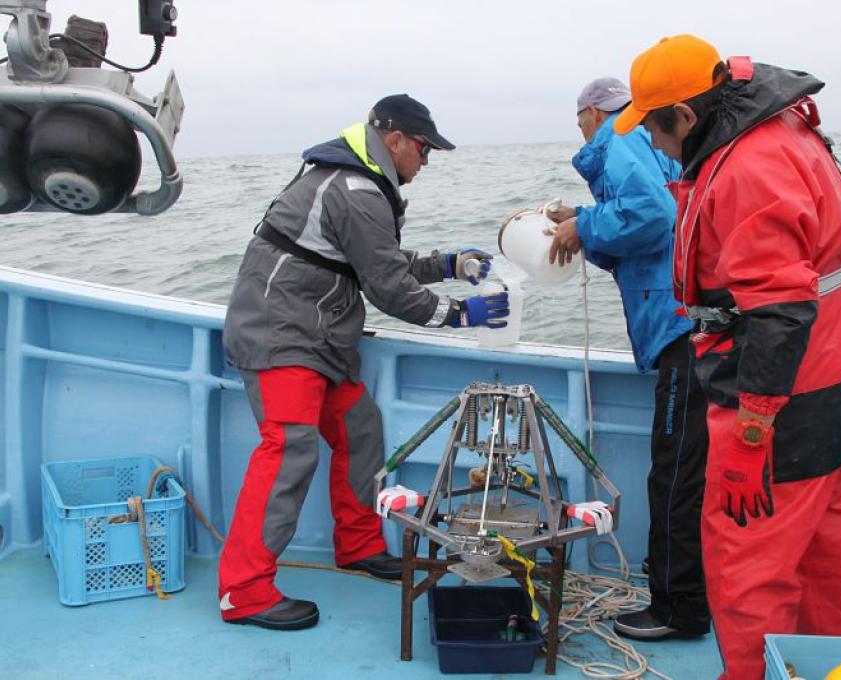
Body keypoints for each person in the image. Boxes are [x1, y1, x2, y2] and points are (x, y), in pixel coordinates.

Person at [614, 35, 841, 679]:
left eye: (654, 124)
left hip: (783, 409)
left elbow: (780, 311)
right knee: (834, 563)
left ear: (685, 113)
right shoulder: (783, 128)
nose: (654, 141)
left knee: (749, 570)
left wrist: (754, 432)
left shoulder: (747, 168)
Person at [219, 94, 509, 631]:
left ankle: (357, 545)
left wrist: (449, 263)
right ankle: (244, 591)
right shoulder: (355, 189)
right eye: (423, 149)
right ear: (394, 139)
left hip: (319, 339)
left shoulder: (356, 180)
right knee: (289, 449)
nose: (426, 161)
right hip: (280, 333)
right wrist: (464, 315)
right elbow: (389, 289)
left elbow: (374, 261)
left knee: (360, 428)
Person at [546, 77, 710, 641]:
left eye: (582, 120)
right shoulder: (650, 141)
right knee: (690, 472)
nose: (585, 129)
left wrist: (582, 225)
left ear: (590, 112)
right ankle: (689, 594)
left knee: (674, 475)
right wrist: (583, 222)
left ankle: (677, 609)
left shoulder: (616, 141)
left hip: (678, 329)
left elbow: (654, 218)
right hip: (696, 323)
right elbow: (655, 225)